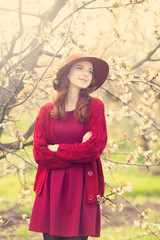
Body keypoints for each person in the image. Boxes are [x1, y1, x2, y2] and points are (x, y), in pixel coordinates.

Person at [29, 52, 109, 240]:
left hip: (81, 187)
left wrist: (58, 148)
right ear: (67, 73)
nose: (86, 73)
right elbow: (40, 154)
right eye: (79, 68)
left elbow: (93, 149)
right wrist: (77, 149)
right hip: (51, 187)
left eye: (90, 71)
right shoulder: (46, 111)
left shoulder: (95, 107)